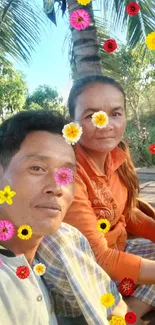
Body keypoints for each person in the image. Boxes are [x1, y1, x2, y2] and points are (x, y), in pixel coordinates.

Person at [0, 109, 129, 325]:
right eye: (37, 168)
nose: (57, 187)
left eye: (65, 174)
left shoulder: (63, 240)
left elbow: (114, 305)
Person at [63, 74, 155, 323]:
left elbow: (127, 213)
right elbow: (99, 259)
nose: (106, 125)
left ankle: (128, 311)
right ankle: (126, 315)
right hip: (93, 271)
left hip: (121, 250)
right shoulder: (68, 171)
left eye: (115, 113)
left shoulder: (118, 155)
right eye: (92, 115)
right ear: (71, 121)